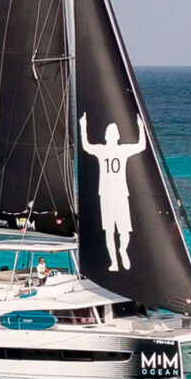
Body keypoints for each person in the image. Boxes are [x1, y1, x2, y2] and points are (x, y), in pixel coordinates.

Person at [79, 112, 147, 271]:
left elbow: (86, 146)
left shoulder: (105, 150)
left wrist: (83, 127)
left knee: (119, 230)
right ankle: (115, 261)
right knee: (112, 230)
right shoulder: (119, 150)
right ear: (115, 136)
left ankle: (121, 252)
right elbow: (141, 145)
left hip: (115, 194)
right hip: (112, 194)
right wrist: (140, 127)